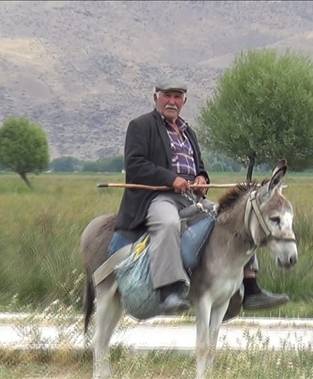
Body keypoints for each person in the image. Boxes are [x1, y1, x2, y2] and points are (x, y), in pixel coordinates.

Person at [111, 76, 290, 314]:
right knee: (168, 223)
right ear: (156, 98)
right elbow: (135, 164)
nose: (172, 101)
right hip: (158, 197)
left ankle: (250, 285)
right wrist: (170, 179)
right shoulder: (141, 125)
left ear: (184, 101)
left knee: (236, 218)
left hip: (191, 198)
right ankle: (168, 292)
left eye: (177, 97)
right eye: (167, 96)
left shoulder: (188, 132)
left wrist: (202, 179)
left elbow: (200, 166)